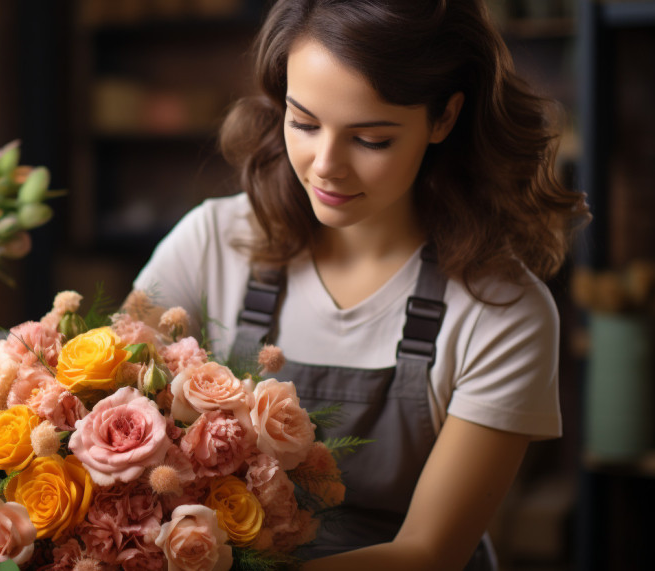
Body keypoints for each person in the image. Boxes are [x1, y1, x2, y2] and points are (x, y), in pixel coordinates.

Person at [126, 0, 590, 569]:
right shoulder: (211, 244)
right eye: (303, 122)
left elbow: (428, 553)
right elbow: (107, 416)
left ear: (444, 117)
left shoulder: (501, 312)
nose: (325, 165)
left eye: (371, 139)